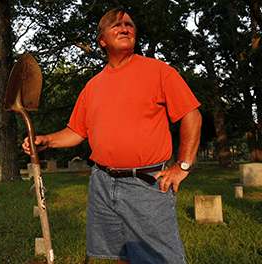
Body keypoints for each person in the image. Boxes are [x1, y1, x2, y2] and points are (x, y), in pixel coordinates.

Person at [22, 7, 202, 264]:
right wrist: (46, 141)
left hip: (147, 183)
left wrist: (183, 165)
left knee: (161, 260)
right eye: (116, 25)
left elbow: (191, 114)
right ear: (102, 40)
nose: (125, 27)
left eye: (129, 24)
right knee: (120, 257)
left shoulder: (158, 71)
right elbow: (77, 131)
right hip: (102, 183)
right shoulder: (92, 86)